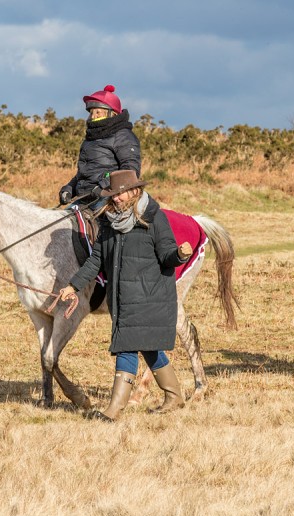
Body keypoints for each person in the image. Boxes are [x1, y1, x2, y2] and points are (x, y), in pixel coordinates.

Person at [58, 169, 193, 421]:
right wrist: (73, 286)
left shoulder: (155, 218)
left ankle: (114, 410)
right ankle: (175, 396)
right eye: (113, 194)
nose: (116, 198)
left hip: (149, 296)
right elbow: (96, 260)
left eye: (120, 194)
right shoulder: (108, 221)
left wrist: (180, 255)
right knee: (148, 347)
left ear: (135, 191)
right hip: (121, 297)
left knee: (126, 348)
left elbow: (166, 255)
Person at [58, 85, 141, 207]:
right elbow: (85, 173)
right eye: (91, 112)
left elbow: (130, 170)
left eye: (98, 112)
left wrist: (103, 187)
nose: (93, 116)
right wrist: (69, 188)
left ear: (112, 114)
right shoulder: (90, 139)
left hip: (109, 198)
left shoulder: (123, 136)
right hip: (84, 198)